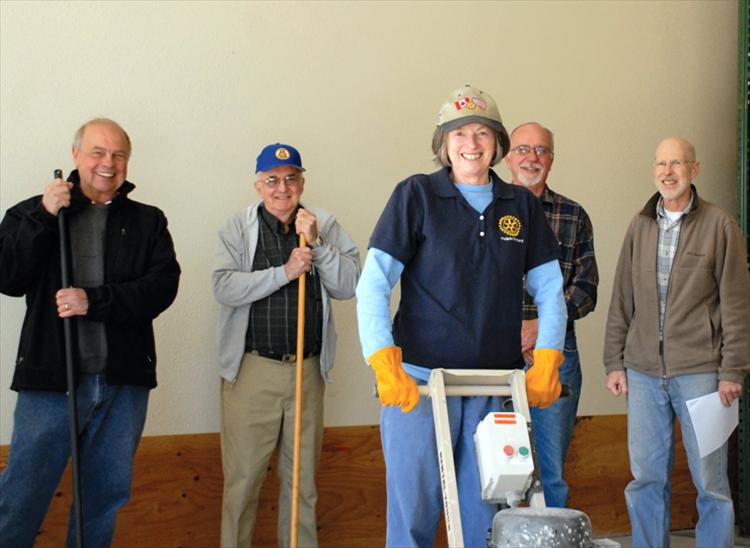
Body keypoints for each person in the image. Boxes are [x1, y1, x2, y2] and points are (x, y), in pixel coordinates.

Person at [356, 86, 568, 547]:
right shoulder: (416, 195)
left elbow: (551, 290)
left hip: (494, 389)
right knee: (414, 512)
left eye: (482, 132)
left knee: (486, 517)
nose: (470, 142)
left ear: (497, 143)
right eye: (458, 134)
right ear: (443, 143)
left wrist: (549, 356)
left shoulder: (521, 206)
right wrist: (381, 357)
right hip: (418, 383)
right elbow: (373, 283)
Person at [0, 118, 181, 547]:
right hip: (50, 382)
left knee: (103, 500)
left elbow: (161, 288)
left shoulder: (147, 221)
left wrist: (93, 301)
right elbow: (7, 277)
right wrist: (43, 216)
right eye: (98, 152)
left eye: (118, 155)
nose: (108, 163)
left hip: (123, 385)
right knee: (22, 494)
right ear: (75, 156)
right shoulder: (33, 212)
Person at [212, 143, 360, 548]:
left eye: (291, 178)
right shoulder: (237, 228)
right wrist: (284, 272)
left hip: (307, 372)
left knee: (302, 485)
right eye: (273, 180)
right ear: (258, 186)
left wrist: (318, 245)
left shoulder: (323, 225)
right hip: (252, 372)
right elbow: (223, 287)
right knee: (243, 482)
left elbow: (349, 285)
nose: (282, 188)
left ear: (302, 182)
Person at [604, 137, 749, 548]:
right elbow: (621, 299)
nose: (668, 172)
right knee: (645, 478)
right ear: (654, 170)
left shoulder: (720, 226)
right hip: (643, 374)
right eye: (661, 164)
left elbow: (737, 303)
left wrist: (732, 369)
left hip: (702, 375)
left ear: (694, 169)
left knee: (711, 482)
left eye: (677, 164)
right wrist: (614, 361)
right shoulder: (640, 224)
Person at [505, 122, 598, 508]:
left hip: (557, 353)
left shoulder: (573, 215)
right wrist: (514, 331)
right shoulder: (485, 209)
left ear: (552, 160)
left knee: (551, 473)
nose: (532, 157)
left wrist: (541, 326)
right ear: (508, 157)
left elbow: (586, 288)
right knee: (498, 466)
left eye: (541, 150)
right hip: (494, 355)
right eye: (523, 149)